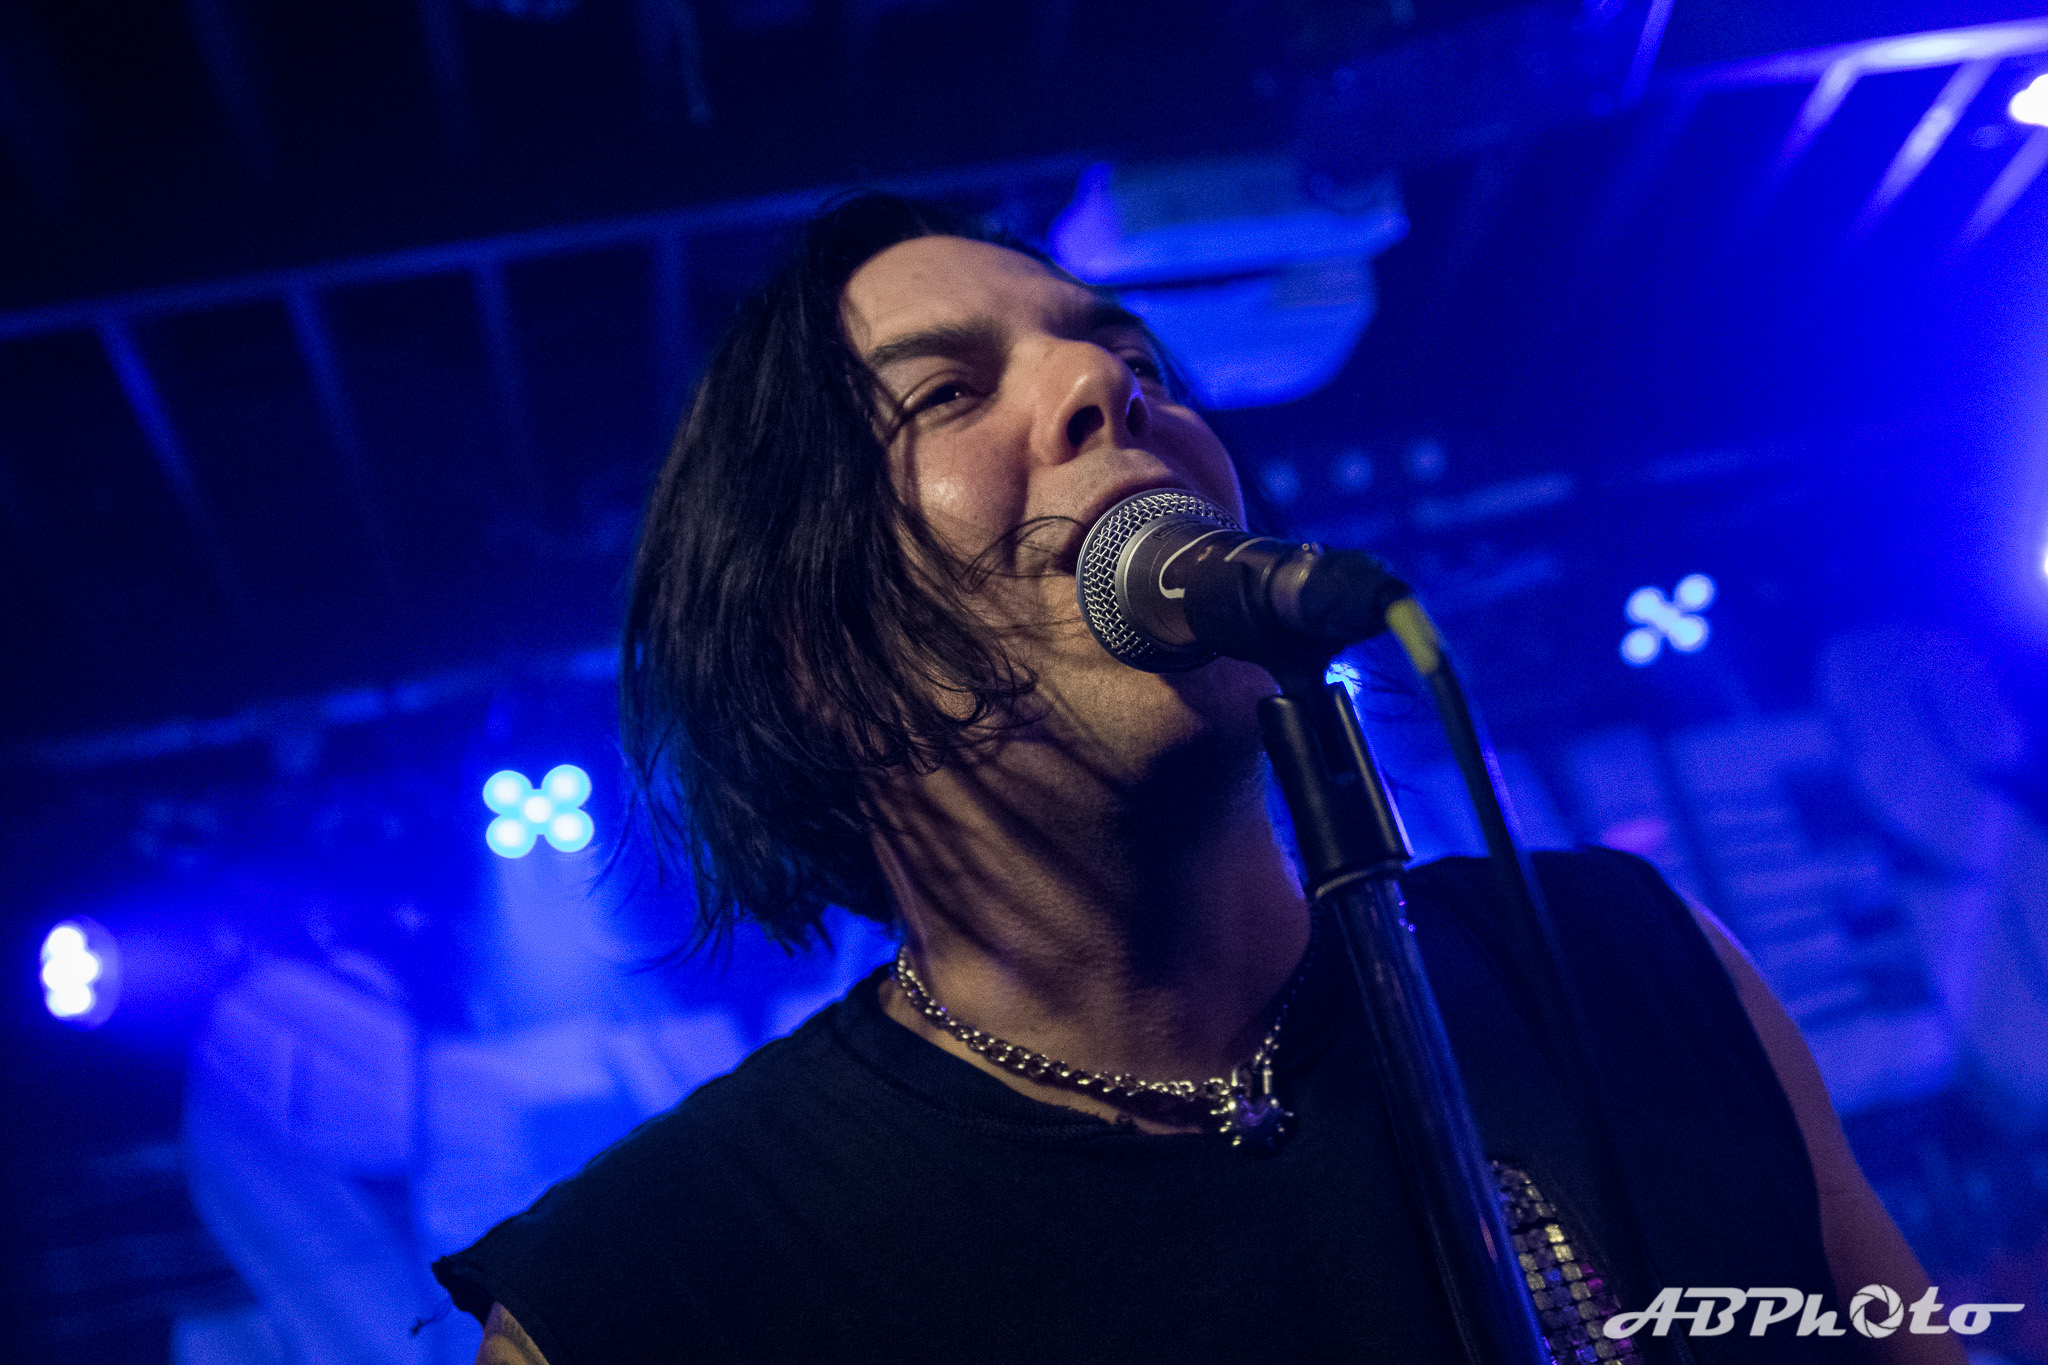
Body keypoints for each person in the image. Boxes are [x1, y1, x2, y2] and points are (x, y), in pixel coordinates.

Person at [433, 194, 1962, 1364]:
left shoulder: (1629, 963)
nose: (1106, 385)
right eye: (947, 394)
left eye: (1132, 357)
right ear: (807, 661)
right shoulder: (655, 1288)